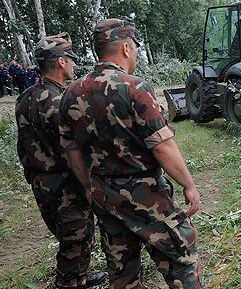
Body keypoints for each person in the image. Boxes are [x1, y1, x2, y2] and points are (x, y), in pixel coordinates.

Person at [59, 18, 203, 288]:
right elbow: (162, 145)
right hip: (145, 194)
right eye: (134, 48)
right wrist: (188, 184)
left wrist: (89, 187)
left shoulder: (70, 93)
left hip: (103, 194)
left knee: (122, 273)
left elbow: (72, 152)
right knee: (182, 259)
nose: (135, 53)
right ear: (126, 48)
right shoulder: (134, 87)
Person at [15, 32, 106, 289]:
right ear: (60, 62)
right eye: (70, 59)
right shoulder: (62, 102)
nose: (74, 64)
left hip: (41, 182)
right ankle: (68, 282)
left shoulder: (25, 98)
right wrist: (89, 182)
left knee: (67, 235)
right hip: (65, 184)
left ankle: (80, 277)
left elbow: (23, 144)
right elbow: (76, 149)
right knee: (75, 240)